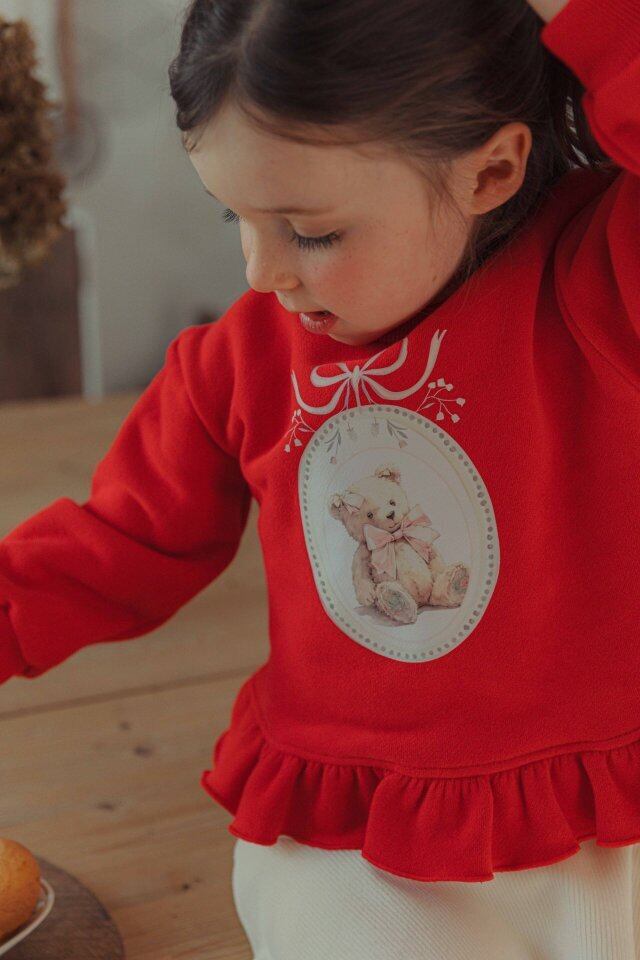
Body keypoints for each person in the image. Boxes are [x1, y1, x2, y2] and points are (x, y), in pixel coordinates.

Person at [2, 0, 639, 956]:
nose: (261, 273)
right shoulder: (236, 361)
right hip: (357, 837)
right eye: (236, 217)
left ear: (490, 171)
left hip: (602, 817)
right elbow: (118, 542)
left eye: (312, 232)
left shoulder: (600, 288)